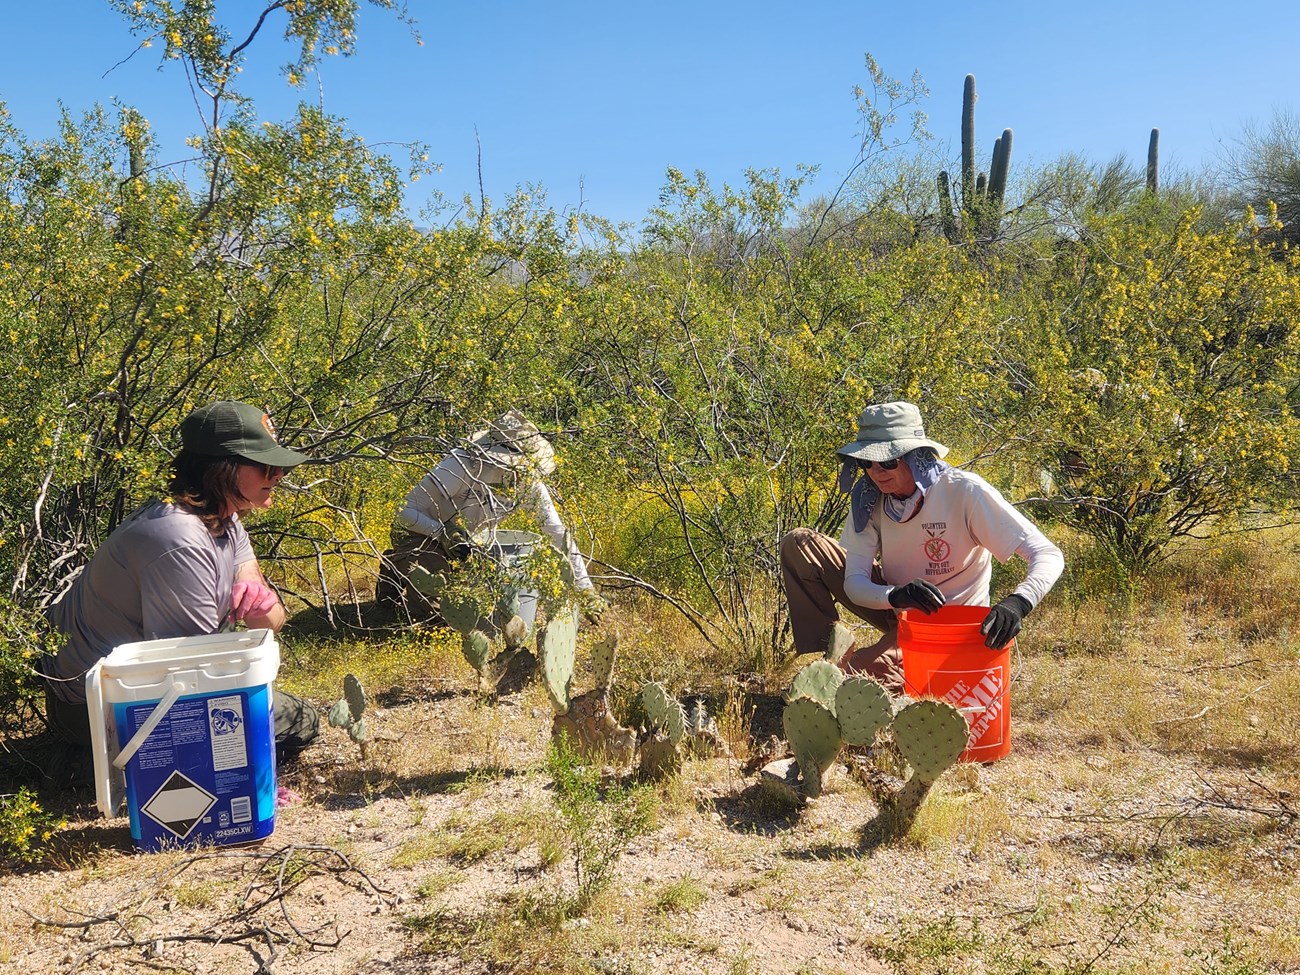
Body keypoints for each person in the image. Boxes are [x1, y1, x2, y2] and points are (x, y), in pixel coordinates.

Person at [40, 400, 321, 756]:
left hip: (127, 693)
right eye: (266, 466)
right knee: (298, 721)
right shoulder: (179, 537)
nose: (278, 476)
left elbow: (271, 619)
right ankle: (98, 765)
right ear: (224, 469)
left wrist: (255, 593)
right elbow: (194, 678)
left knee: (293, 717)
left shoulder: (224, 517)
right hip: (92, 711)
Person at [780, 400, 1064, 693]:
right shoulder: (869, 498)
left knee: (856, 677)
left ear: (915, 456)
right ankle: (825, 660)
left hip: (943, 623)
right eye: (867, 462)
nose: (877, 472)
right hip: (896, 603)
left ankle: (873, 671)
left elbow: (1047, 554)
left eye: (888, 461)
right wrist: (896, 595)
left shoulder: (962, 492)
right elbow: (855, 583)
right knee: (800, 545)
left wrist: (1018, 603)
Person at [378, 409, 605, 623]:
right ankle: (399, 563)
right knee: (436, 616)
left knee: (476, 607)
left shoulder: (530, 484)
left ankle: (405, 565)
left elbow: (557, 533)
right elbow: (403, 513)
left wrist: (586, 590)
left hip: (468, 543)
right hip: (421, 533)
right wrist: (442, 533)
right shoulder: (460, 465)